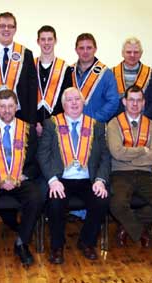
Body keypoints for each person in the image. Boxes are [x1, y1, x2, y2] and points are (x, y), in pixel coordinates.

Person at [37, 87, 110, 264]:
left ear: (83, 102)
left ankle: (86, 242)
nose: (74, 103)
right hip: (61, 179)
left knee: (101, 200)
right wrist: (53, 180)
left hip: (88, 180)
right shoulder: (51, 124)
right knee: (55, 202)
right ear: (63, 104)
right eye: (69, 100)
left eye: (77, 99)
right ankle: (57, 246)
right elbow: (42, 154)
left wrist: (100, 180)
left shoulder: (96, 126)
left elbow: (105, 157)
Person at [0, 89, 43, 267]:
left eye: (10, 106)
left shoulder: (28, 129)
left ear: (16, 107)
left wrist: (22, 175)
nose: (7, 111)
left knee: (36, 197)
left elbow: (35, 163)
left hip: (20, 178)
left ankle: (22, 243)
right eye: (2, 106)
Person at [107, 85, 152, 248]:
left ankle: (126, 224)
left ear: (144, 103)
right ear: (124, 101)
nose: (135, 104)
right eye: (131, 100)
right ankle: (138, 230)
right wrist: (143, 150)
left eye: (138, 100)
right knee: (117, 204)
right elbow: (116, 153)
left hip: (145, 174)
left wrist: (129, 159)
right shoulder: (114, 124)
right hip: (120, 174)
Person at [65, 33, 119, 123]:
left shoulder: (106, 73)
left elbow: (113, 102)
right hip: (70, 126)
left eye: (89, 48)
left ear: (95, 49)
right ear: (76, 50)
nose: (85, 51)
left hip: (95, 127)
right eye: (81, 48)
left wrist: (94, 120)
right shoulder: (68, 72)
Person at [34, 25, 69, 136]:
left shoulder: (65, 68)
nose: (46, 43)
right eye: (43, 39)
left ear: (55, 41)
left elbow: (65, 100)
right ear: (38, 41)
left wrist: (53, 124)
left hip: (56, 127)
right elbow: (26, 98)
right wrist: (35, 123)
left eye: (50, 39)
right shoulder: (30, 66)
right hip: (34, 127)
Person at [112, 37, 151, 115]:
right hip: (117, 120)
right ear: (122, 53)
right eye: (128, 52)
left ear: (141, 53)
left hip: (143, 120)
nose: (132, 55)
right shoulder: (111, 73)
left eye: (136, 52)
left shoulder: (151, 74)